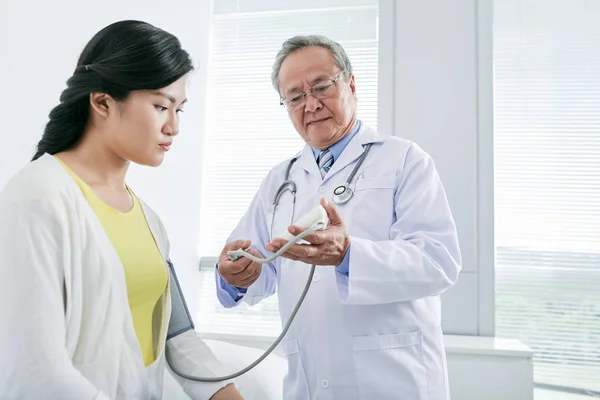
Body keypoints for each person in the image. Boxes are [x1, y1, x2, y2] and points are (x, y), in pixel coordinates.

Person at [0, 20, 244, 400]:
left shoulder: (149, 220)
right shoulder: (36, 199)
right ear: (102, 102)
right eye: (161, 106)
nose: (174, 127)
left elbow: (179, 340)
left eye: (180, 109)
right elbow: (35, 372)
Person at [216, 35, 462, 399]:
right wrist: (235, 276)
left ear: (350, 83)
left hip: (394, 381)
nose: (310, 104)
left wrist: (348, 255)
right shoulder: (280, 181)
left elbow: (438, 261)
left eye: (320, 87)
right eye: (295, 96)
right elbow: (258, 265)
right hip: (310, 383)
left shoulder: (404, 160)